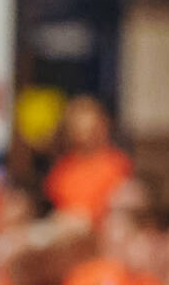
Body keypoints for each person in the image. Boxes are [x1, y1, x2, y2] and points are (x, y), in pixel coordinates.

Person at [43, 96, 133, 224]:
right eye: (79, 130)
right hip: (64, 228)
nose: (86, 137)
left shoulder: (117, 164)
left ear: (104, 127)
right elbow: (57, 205)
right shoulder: (62, 169)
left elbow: (109, 210)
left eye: (92, 130)